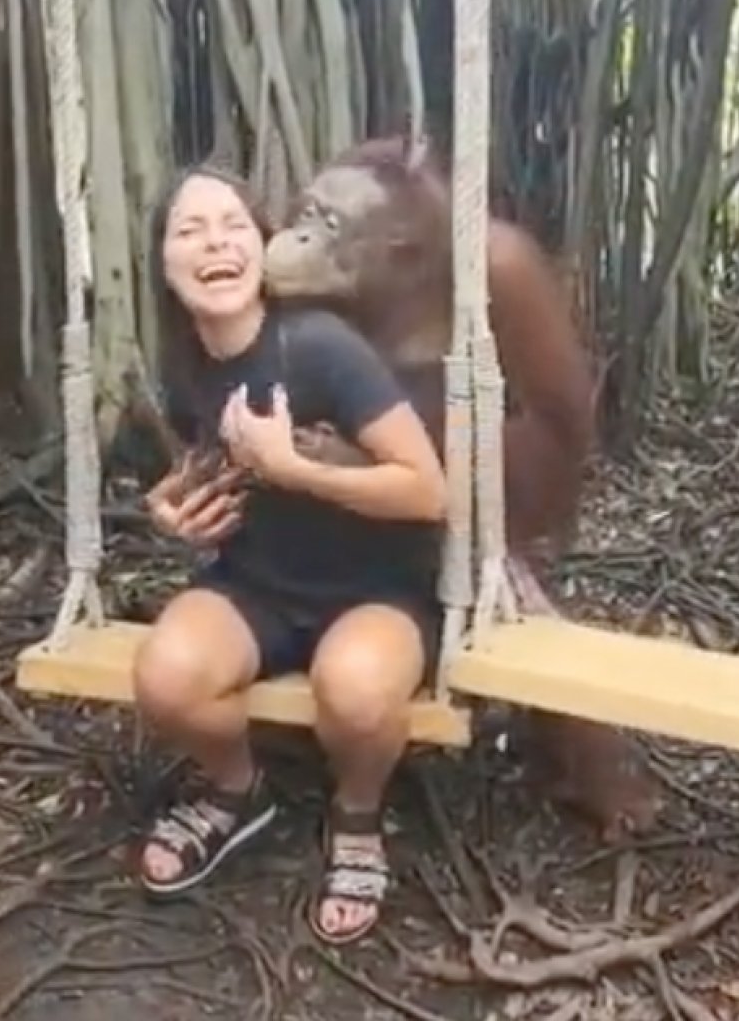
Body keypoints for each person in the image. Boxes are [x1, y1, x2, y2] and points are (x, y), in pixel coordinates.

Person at [135, 163, 447, 945]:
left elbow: (426, 492)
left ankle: (356, 812)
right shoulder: (185, 362)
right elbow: (205, 470)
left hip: (376, 591)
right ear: (164, 264)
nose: (215, 243)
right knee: (166, 678)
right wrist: (174, 509)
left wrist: (297, 471)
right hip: (255, 585)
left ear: (262, 244)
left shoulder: (319, 348)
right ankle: (237, 791)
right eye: (190, 230)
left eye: (232, 225)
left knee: (357, 692)